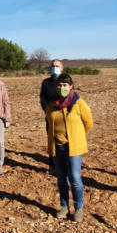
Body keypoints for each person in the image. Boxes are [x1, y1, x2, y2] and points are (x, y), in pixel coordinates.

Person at [46, 73, 93, 222]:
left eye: (65, 85)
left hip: (74, 146)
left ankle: (79, 208)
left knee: (75, 177)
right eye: (59, 85)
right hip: (57, 145)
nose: (62, 88)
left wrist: (76, 136)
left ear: (71, 86)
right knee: (61, 177)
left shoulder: (78, 103)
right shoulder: (51, 104)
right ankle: (64, 206)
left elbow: (88, 123)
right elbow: (49, 122)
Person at [40, 59, 64, 175]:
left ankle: (64, 163)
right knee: (51, 139)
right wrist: (47, 110)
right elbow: (42, 98)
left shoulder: (65, 81)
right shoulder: (46, 82)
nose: (55, 68)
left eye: (57, 66)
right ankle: (52, 165)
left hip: (64, 117)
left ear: (62, 68)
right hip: (50, 116)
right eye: (53, 66)